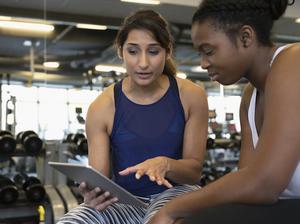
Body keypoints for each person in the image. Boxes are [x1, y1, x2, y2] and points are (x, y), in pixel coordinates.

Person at [148, 0, 300, 223]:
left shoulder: (293, 62)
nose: (203, 63)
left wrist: (171, 209)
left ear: (245, 37)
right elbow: (246, 186)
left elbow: (264, 184)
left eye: (208, 51)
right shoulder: (250, 97)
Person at [57, 9, 208, 224]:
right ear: (120, 52)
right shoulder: (102, 107)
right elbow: (99, 177)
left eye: (153, 51)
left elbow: (193, 172)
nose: (143, 63)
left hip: (178, 193)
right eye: (133, 51)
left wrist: (166, 164)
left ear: (168, 51)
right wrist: (93, 193)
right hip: (126, 202)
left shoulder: (191, 95)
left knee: (160, 219)